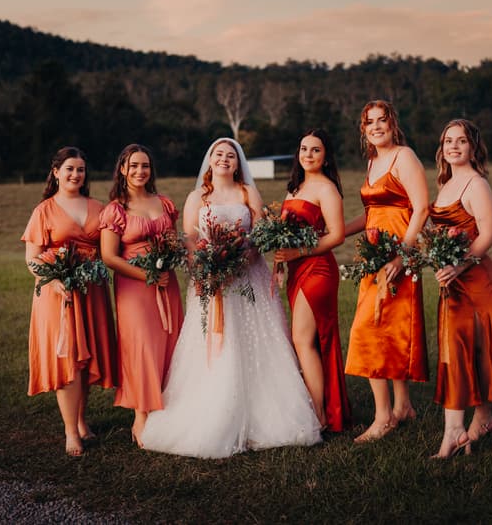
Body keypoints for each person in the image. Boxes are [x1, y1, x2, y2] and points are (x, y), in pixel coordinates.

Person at [140, 138, 322, 458]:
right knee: (218, 347)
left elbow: (263, 232)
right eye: (218, 154)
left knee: (257, 342)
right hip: (212, 282)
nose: (224, 159)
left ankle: (263, 416)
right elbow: (191, 241)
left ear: (238, 164)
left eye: (230, 155)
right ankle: (215, 412)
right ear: (209, 160)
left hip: (248, 278)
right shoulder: (198, 196)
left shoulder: (247, 193)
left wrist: (243, 257)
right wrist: (209, 269)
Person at [428, 119, 492, 458]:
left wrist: (459, 265)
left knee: (482, 354)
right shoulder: (446, 184)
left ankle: (483, 419)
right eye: (448, 140)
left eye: (461, 141)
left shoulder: (476, 185)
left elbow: (488, 234)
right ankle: (453, 430)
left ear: (472, 147)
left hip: (480, 283)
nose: (453, 146)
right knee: (455, 353)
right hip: (454, 285)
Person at [21, 146, 118, 456]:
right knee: (68, 361)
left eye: (81, 170)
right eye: (70, 169)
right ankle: (69, 432)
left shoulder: (99, 207)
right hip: (57, 296)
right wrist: (54, 280)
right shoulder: (44, 211)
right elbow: (32, 260)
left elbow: (108, 251)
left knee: (86, 359)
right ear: (56, 172)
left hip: (92, 292)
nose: (76, 174)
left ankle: (81, 421)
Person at [344, 100, 430, 443]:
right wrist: (334, 230)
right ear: (363, 129)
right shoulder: (373, 161)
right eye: (370, 122)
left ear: (393, 124)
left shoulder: (403, 157)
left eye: (382, 120)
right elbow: (370, 213)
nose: (376, 126)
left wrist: (402, 257)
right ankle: (404, 406)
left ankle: (383, 418)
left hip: (398, 254)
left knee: (369, 331)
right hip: (373, 255)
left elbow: (421, 207)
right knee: (388, 330)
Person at [99, 144, 183, 447]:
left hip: (166, 282)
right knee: (142, 347)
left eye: (145, 165)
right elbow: (109, 257)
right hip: (134, 287)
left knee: (170, 342)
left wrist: (172, 258)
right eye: (133, 166)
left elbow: (173, 242)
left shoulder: (164, 202)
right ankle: (141, 415)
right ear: (122, 169)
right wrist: (146, 275)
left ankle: (171, 409)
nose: (139, 171)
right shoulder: (116, 210)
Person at [273, 129, 351, 432]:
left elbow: (337, 234)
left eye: (315, 150)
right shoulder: (294, 188)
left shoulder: (326, 189)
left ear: (325, 156)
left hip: (317, 269)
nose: (308, 154)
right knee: (309, 342)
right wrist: (279, 264)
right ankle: (319, 407)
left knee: (303, 340)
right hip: (295, 269)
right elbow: (281, 234)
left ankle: (319, 415)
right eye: (303, 148)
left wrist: (298, 252)